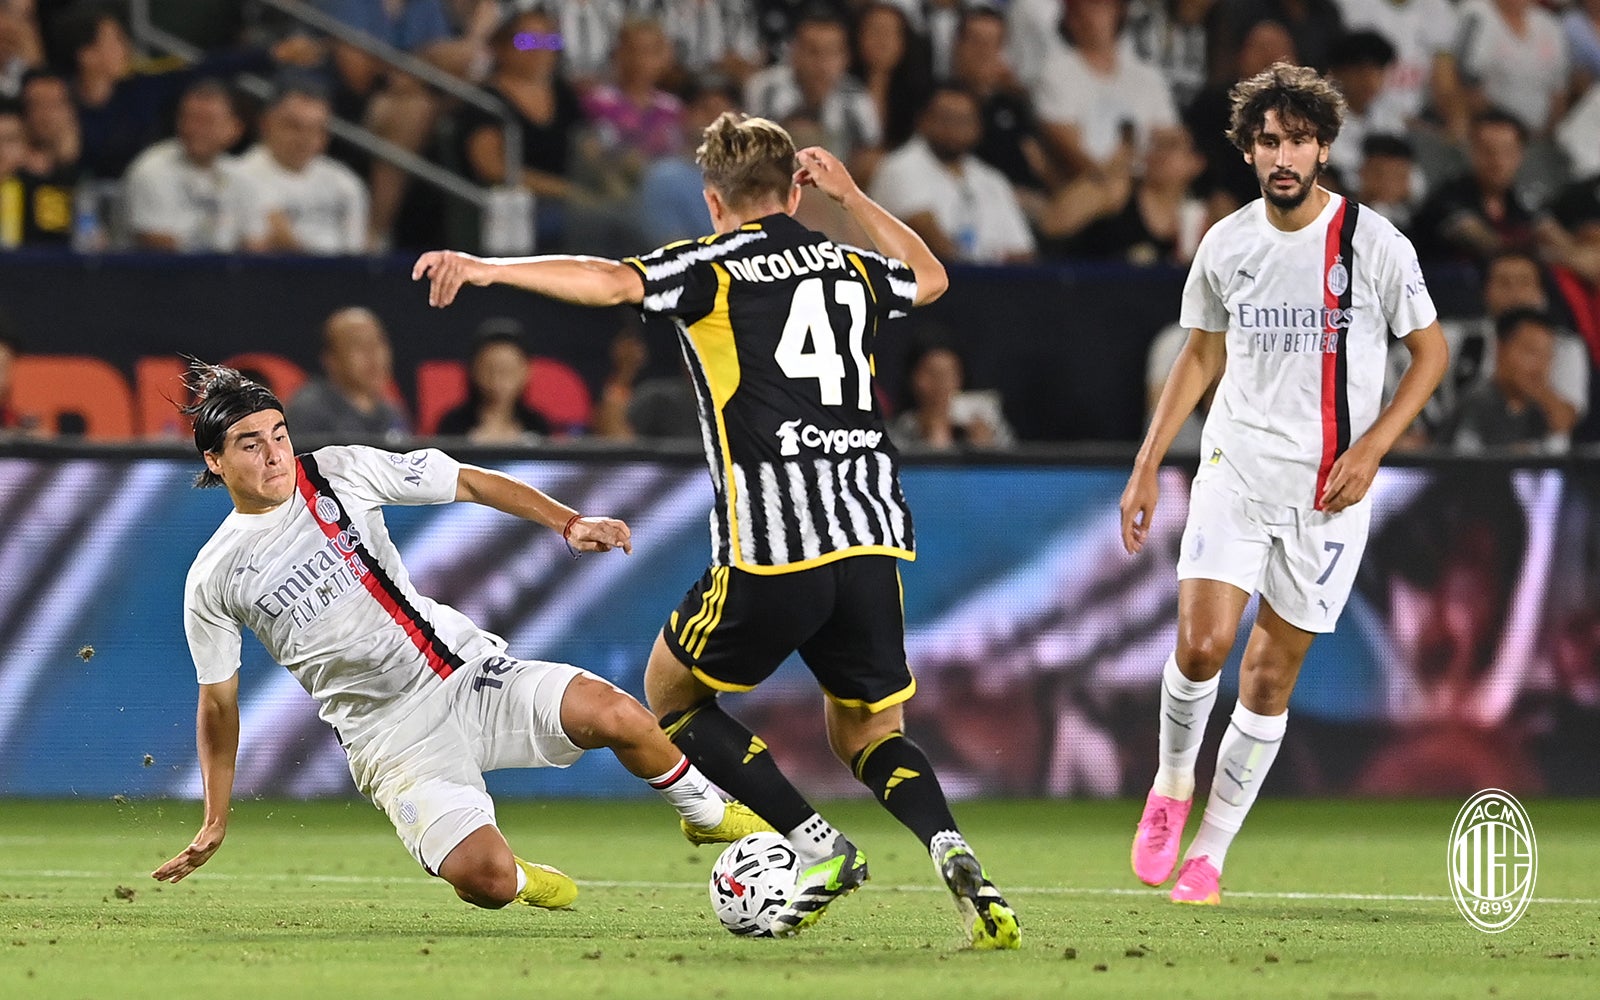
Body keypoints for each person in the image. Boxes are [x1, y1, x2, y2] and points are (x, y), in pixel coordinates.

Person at [412, 113, 1021, 949]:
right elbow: (932, 276)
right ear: (796, 187)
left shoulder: (713, 265)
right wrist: (854, 197)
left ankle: (817, 848)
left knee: (671, 694)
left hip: (775, 539)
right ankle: (955, 853)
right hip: (874, 533)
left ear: (713, 200)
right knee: (872, 732)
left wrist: (488, 268)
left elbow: (608, 279)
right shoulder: (848, 263)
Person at [152, 362, 767, 905]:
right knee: (487, 882)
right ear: (215, 460)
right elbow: (218, 704)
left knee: (620, 716)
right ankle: (521, 879)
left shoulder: (340, 471)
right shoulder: (213, 577)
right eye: (250, 445)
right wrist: (214, 817)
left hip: (460, 671)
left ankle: (705, 813)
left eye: (280, 436)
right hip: (387, 737)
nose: (275, 455)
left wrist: (569, 521)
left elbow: (469, 480)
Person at [1119, 62, 1448, 906]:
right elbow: (1200, 354)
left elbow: (1431, 352)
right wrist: (1149, 462)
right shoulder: (1227, 243)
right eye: (1269, 139)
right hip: (1236, 465)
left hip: (1330, 490)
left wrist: (1373, 446)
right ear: (1248, 151)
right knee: (1201, 644)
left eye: (1299, 138)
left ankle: (1212, 856)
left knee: (1269, 679)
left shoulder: (1373, 242)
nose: (1284, 154)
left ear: (1325, 148)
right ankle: (1170, 787)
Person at [868, 84, 1036, 264]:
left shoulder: (991, 179)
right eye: (946, 118)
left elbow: (1024, 253)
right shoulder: (899, 168)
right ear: (923, 120)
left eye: (964, 120)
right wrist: (995, 258)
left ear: (978, 128)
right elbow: (936, 247)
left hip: (989, 285)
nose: (954, 129)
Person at [235, 87, 370, 256]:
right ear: (265, 124)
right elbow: (257, 246)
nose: (305, 138)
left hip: (337, 277)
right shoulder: (238, 176)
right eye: (294, 126)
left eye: (315, 128)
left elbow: (357, 252)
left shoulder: (345, 181)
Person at [124, 79, 246, 253]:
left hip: (226, 274)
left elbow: (254, 242)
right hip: (163, 276)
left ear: (234, 129)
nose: (194, 129)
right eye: (187, 118)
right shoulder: (151, 170)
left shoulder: (240, 174)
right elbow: (156, 245)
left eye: (207, 121)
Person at [1443, 307, 1575, 452]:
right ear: (1501, 349)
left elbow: (1558, 457)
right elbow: (1463, 464)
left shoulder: (1543, 409)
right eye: (1531, 352)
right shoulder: (1477, 402)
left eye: (1547, 356)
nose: (1540, 367)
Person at [286, 307, 410, 439]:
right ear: (331, 360)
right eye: (358, 345)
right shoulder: (308, 412)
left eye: (377, 342)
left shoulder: (392, 414)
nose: (372, 354)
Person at [434, 321, 550, 442]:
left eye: (507, 371)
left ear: (526, 370)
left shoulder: (537, 425)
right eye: (489, 370)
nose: (497, 381)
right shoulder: (453, 425)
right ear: (473, 369)